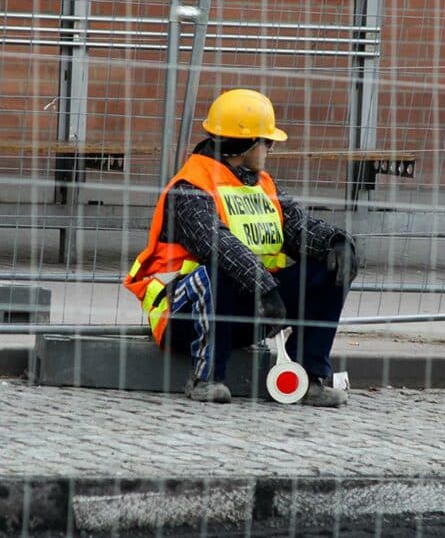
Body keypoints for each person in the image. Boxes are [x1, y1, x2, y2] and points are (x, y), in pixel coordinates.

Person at [124, 89, 358, 406]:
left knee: (329, 269)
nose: (271, 148)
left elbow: (299, 225)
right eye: (268, 141)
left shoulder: (260, 182)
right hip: (183, 316)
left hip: (252, 305)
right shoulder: (190, 185)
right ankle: (205, 379)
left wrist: (338, 241)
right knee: (218, 271)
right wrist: (265, 286)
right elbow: (218, 245)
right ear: (246, 144)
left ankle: (310, 378)